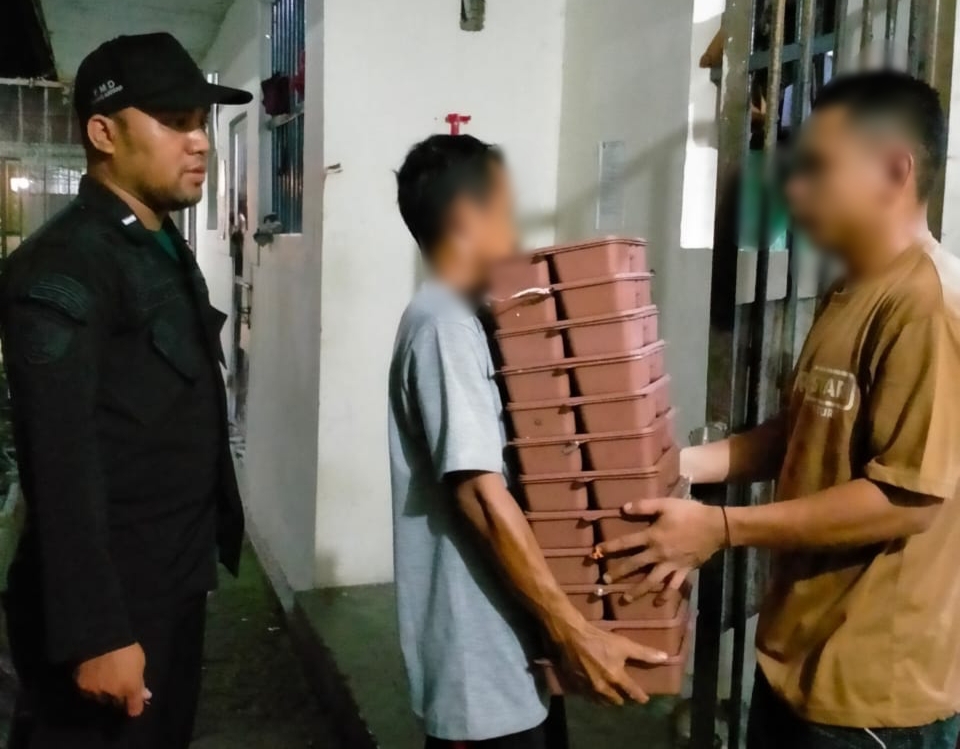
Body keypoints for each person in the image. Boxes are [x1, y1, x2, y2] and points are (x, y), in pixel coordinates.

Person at [597, 70, 960, 748]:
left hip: (872, 695)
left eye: (819, 168)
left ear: (894, 171)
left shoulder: (926, 305)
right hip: (796, 660)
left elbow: (907, 499)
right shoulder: (852, 287)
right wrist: (677, 464)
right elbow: (804, 432)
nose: (795, 189)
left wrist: (722, 527)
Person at [0, 33, 252, 749]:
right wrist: (96, 632)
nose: (200, 142)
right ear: (104, 134)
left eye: (200, 122)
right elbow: (59, 462)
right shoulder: (63, 268)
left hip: (172, 577)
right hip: (115, 598)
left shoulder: (156, 242)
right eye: (174, 122)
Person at [389, 134, 668, 749]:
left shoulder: (468, 316)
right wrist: (573, 632)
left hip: (512, 652)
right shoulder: (444, 325)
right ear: (468, 217)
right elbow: (480, 497)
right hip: (478, 669)